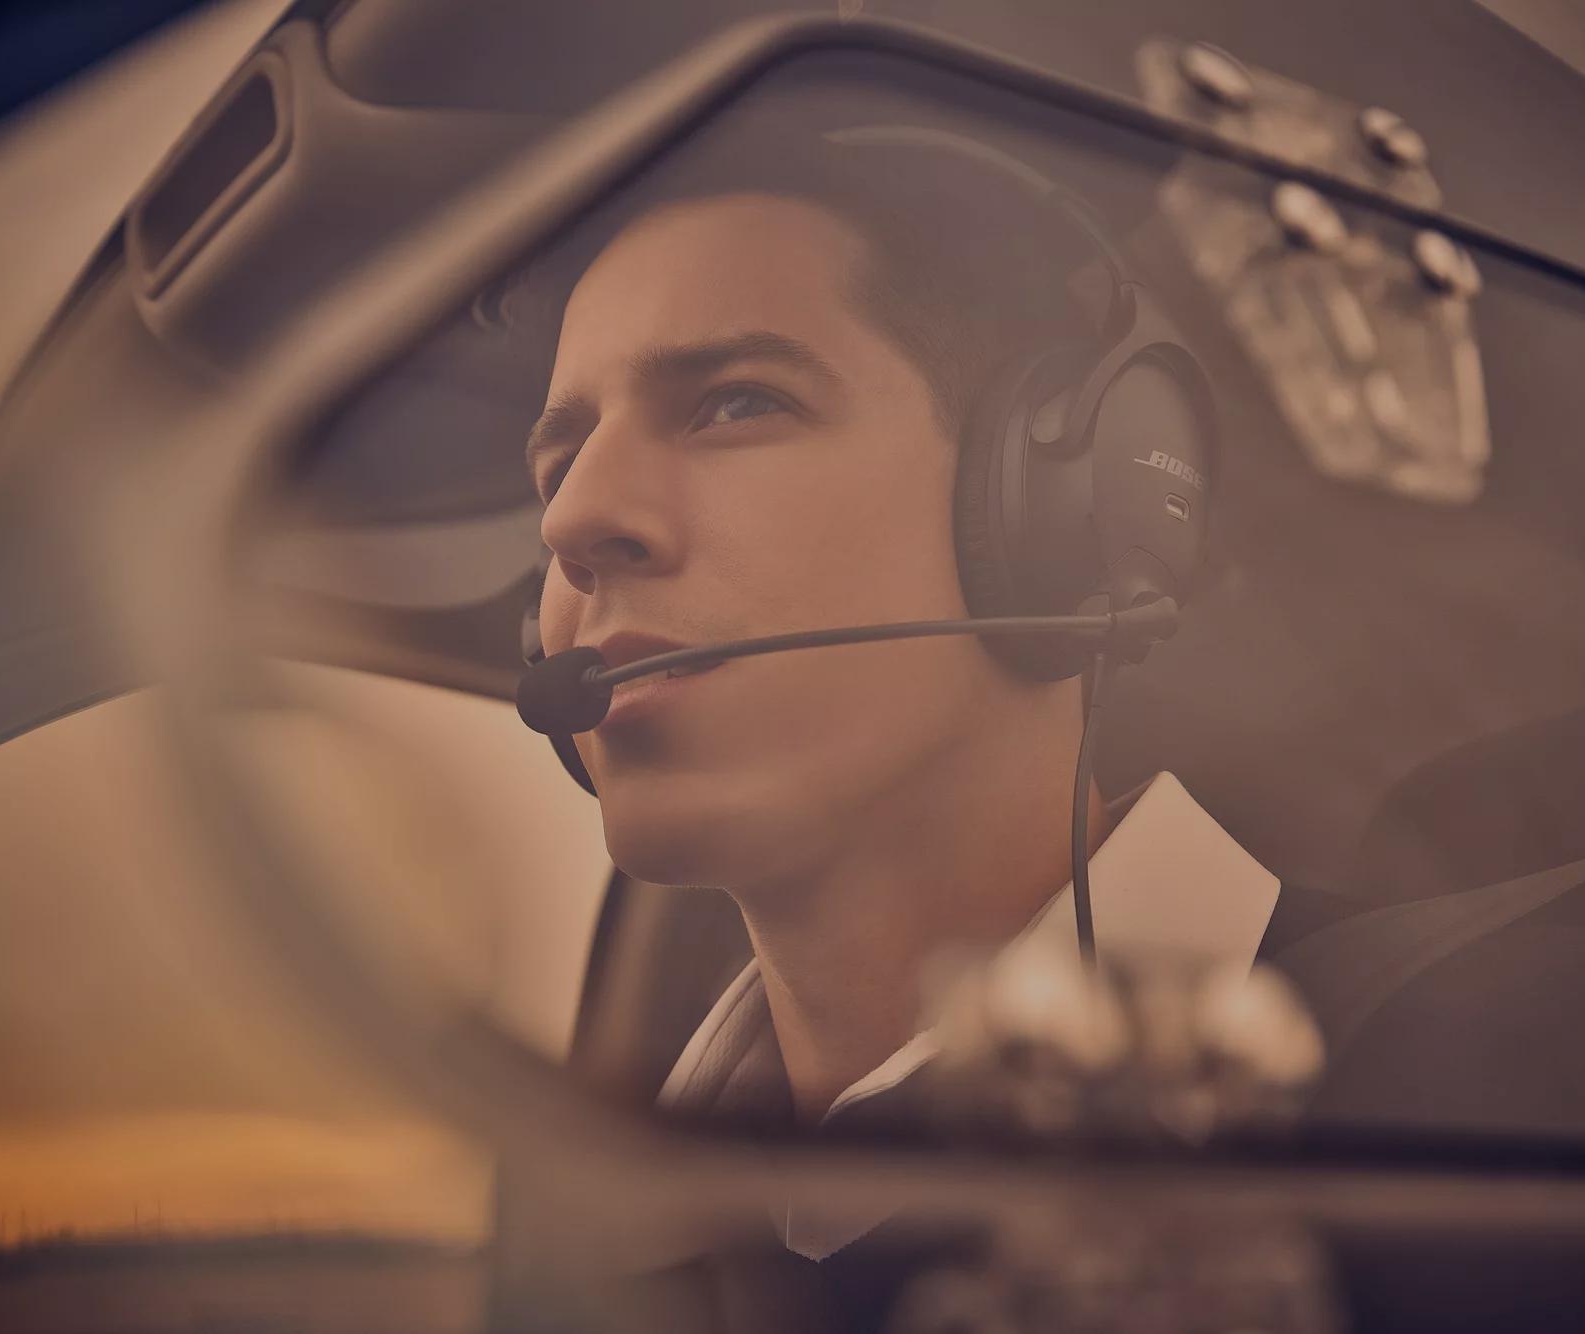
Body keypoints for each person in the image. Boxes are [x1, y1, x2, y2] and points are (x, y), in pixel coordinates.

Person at [523, 141, 1304, 1149]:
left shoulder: (1482, 1061)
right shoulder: (615, 1203)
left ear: (1060, 511)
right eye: (558, 463)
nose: (572, 518)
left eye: (737, 402)